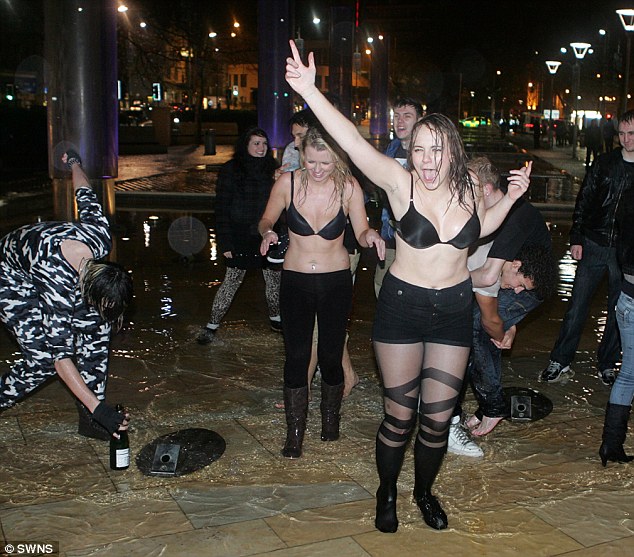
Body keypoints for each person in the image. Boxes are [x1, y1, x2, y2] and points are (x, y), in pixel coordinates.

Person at [284, 40, 531, 533]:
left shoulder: (468, 188)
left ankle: (423, 492)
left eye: (437, 149)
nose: (428, 158)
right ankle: (386, 491)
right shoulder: (400, 182)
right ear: (411, 153)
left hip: (452, 312)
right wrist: (310, 92)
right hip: (402, 309)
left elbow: (479, 230)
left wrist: (511, 200)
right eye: (419, 149)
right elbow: (352, 141)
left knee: (437, 421)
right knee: (399, 418)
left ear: (452, 150)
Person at [258, 124, 385, 460]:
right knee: (297, 355)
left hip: (335, 281)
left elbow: (361, 230)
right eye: (311, 161)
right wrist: (268, 232)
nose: (317, 169)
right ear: (302, 155)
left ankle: (331, 421)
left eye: (325, 163)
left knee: (330, 354)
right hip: (296, 280)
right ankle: (294, 433)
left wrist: (371, 236)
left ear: (337, 160)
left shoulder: (349, 186)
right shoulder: (287, 183)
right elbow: (266, 218)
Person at [0, 150, 132, 440]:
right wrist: (101, 410)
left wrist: (74, 162)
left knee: (97, 327)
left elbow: (84, 191)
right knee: (43, 360)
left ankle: (89, 419)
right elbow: (61, 357)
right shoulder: (57, 283)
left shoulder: (100, 237)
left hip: (46, 261)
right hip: (9, 276)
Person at [447, 157, 554, 455]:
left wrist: (438, 277)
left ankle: (492, 407)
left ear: (485, 188)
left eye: (469, 189)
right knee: (477, 328)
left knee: (480, 327)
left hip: (531, 282)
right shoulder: (484, 211)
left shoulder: (513, 216)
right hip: (515, 275)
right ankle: (464, 410)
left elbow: (488, 276)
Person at [540, 110, 634, 386]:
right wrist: (577, 237)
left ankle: (607, 364)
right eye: (622, 133)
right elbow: (584, 199)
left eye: (632, 134)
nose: (626, 139)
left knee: (618, 311)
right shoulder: (604, 163)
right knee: (577, 306)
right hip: (594, 242)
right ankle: (560, 359)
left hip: (624, 253)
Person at [196, 127, 282, 344]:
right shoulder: (231, 169)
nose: (261, 148)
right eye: (256, 143)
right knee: (232, 280)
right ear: (245, 145)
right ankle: (212, 324)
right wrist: (225, 241)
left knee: (273, 280)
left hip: (267, 234)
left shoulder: (273, 169)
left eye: (264, 143)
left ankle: (276, 319)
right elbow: (221, 207)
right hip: (240, 234)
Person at [599, 177, 634, 466]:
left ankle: (611, 445)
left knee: (628, 374)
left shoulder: (628, 196)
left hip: (626, 298)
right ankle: (611, 446)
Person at [375, 97, 424, 298]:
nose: (400, 121)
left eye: (407, 116)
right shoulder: (391, 149)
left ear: (419, 120)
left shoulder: (427, 153)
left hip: (419, 241)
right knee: (382, 288)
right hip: (390, 237)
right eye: (397, 116)